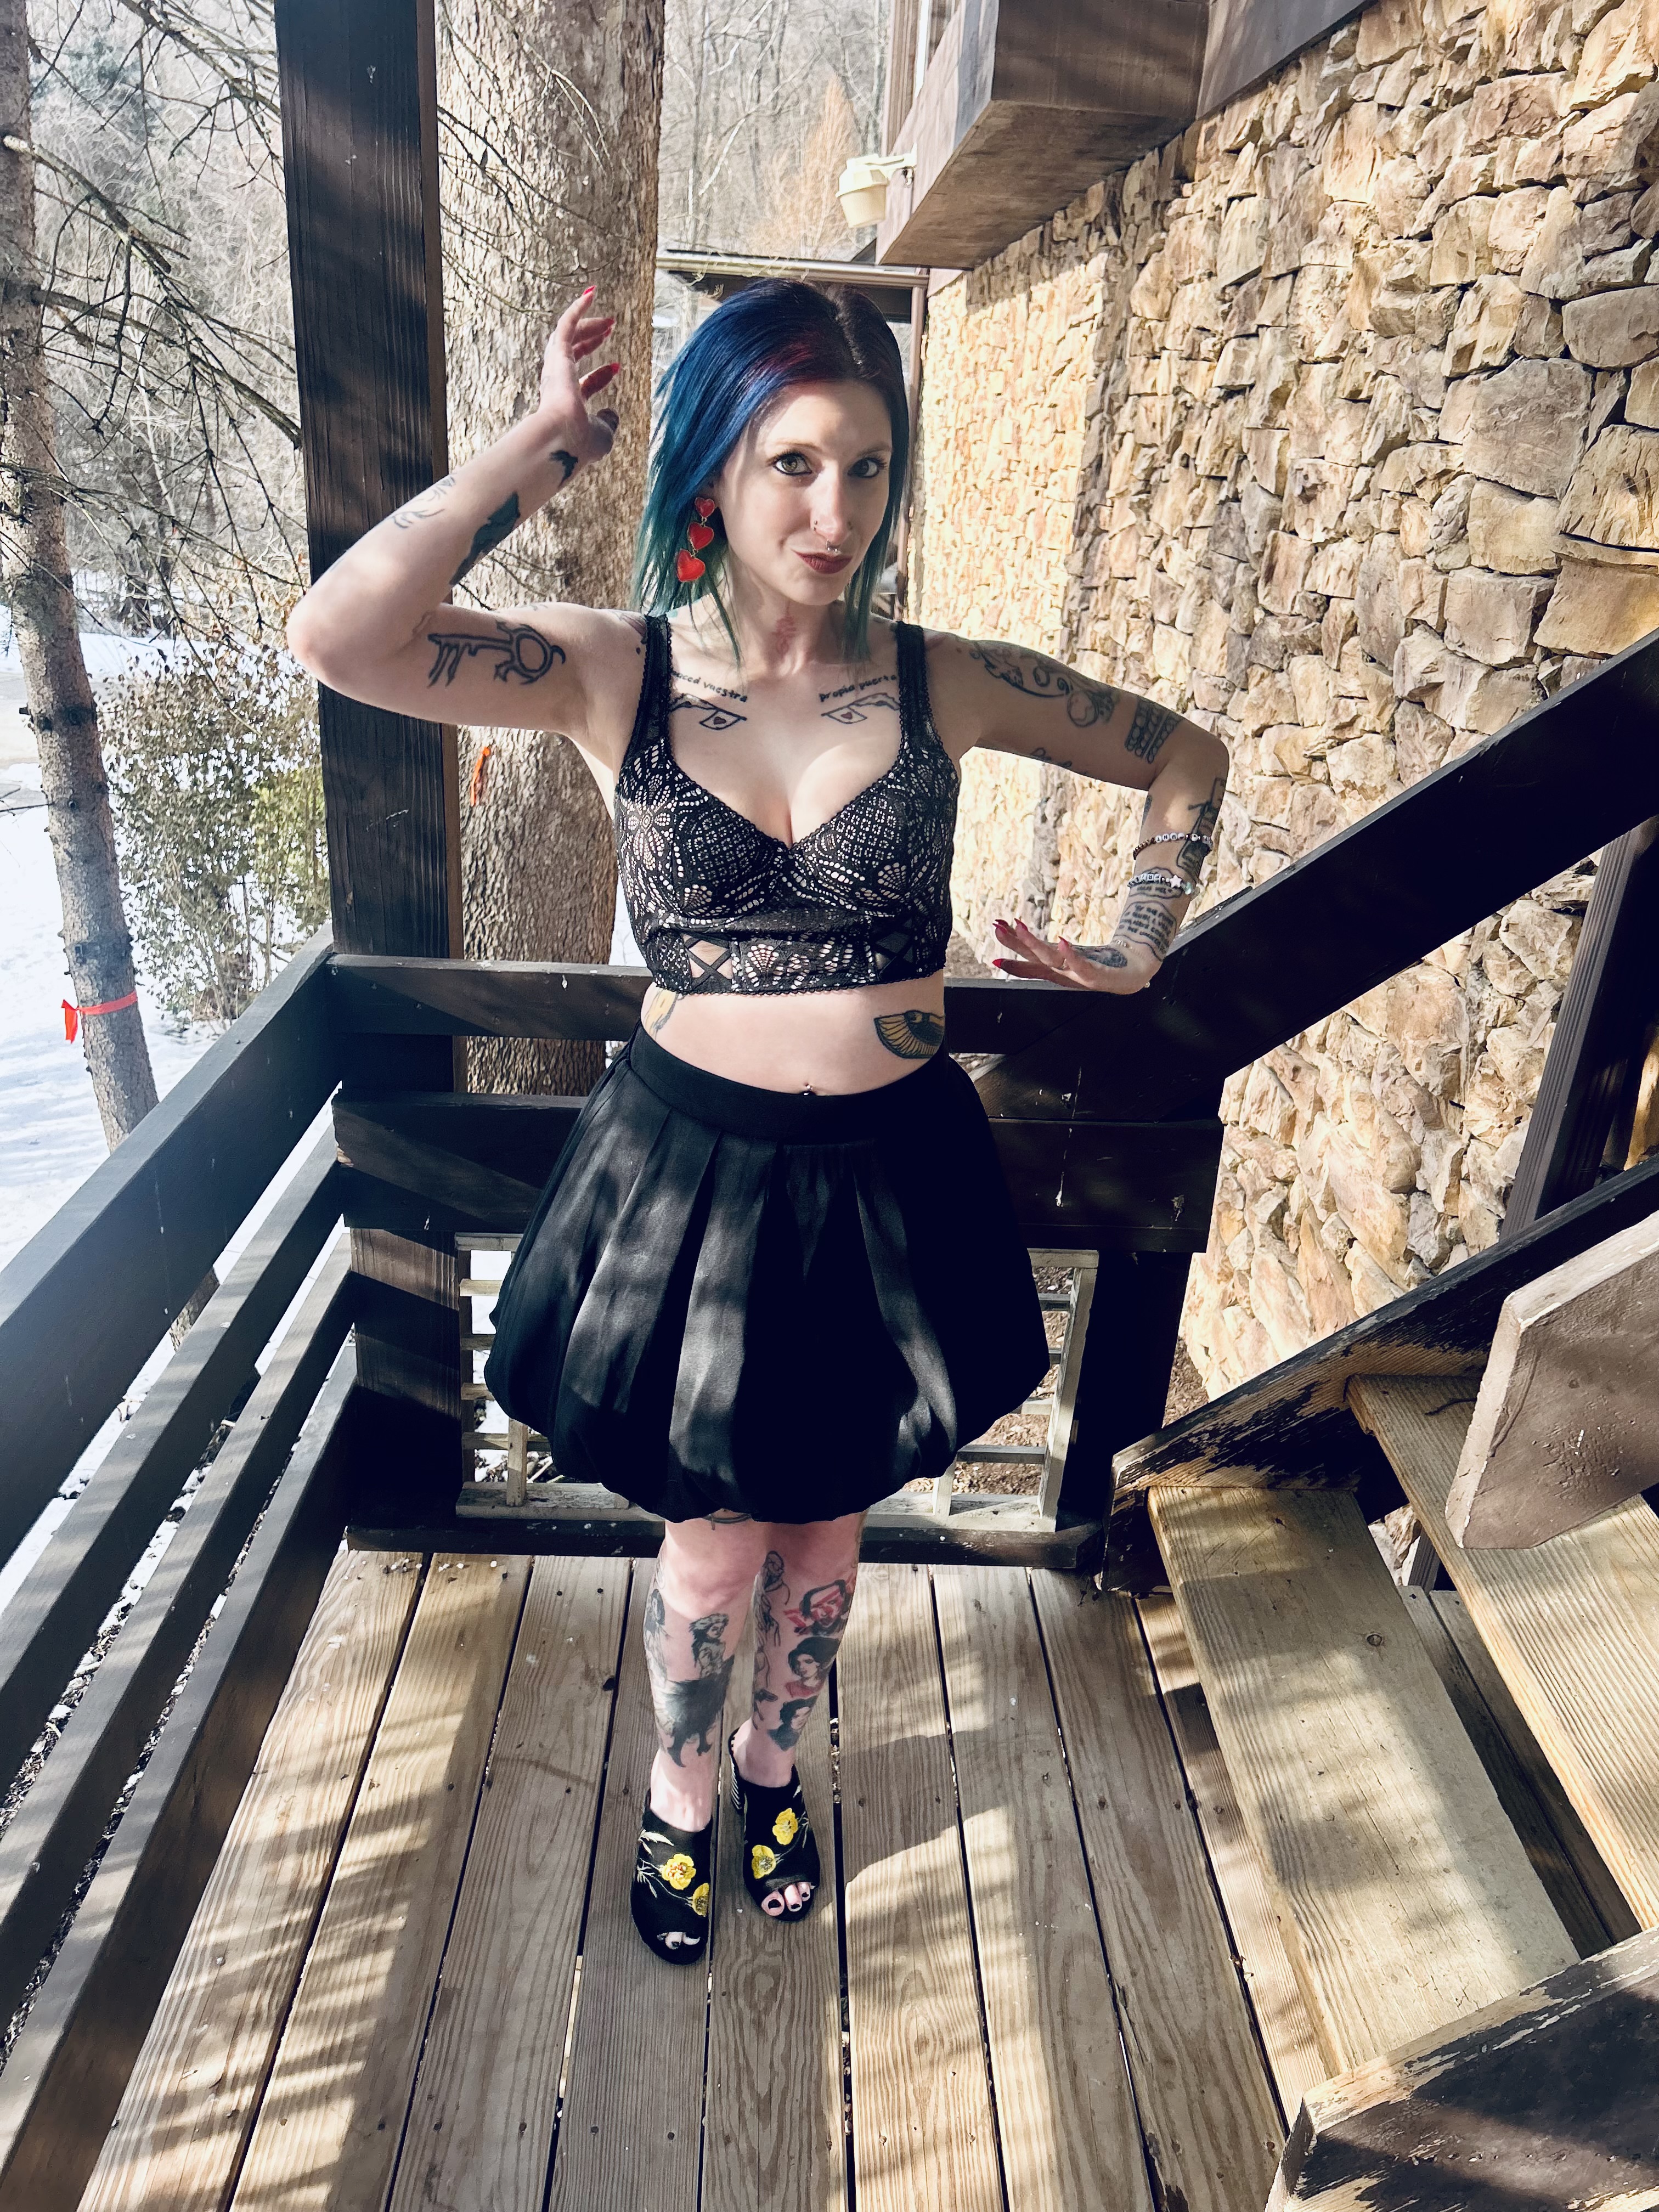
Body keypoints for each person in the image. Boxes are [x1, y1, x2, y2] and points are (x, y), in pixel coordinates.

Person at [285, 279, 1229, 1964]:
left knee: (830, 1531)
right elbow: (343, 638)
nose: (834, 511)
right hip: (690, 1183)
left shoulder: (943, 681)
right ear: (717, 466)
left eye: (867, 467)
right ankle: (680, 1794)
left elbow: (1187, 757)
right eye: (793, 463)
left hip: (891, 1179)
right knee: (712, 1558)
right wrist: (541, 448)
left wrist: (1140, 937)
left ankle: (779, 1768)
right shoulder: (612, 669)